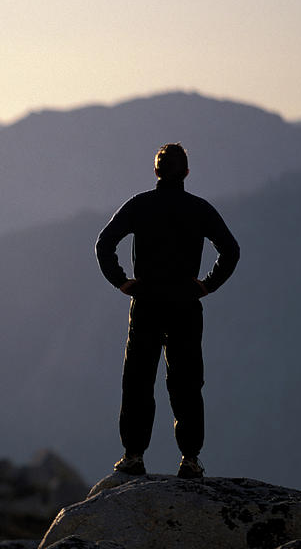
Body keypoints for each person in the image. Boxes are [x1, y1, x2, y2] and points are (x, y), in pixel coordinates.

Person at [95, 142, 239, 478]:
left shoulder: (140, 205)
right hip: (185, 305)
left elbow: (104, 243)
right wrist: (207, 284)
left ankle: (133, 456)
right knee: (187, 381)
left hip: (145, 302)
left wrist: (121, 281)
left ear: (156, 171)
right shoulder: (199, 209)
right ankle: (190, 459)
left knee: (138, 380)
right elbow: (230, 250)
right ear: (186, 172)